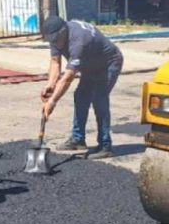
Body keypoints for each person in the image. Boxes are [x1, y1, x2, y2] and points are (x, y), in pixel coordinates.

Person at [40, 16, 123, 160]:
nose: (54, 43)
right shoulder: (55, 37)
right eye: (51, 40)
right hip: (89, 65)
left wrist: (52, 102)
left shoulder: (79, 42)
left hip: (108, 63)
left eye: (55, 39)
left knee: (99, 100)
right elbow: (55, 62)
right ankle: (78, 140)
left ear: (63, 31)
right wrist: (50, 84)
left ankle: (105, 145)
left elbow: (67, 78)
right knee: (81, 97)